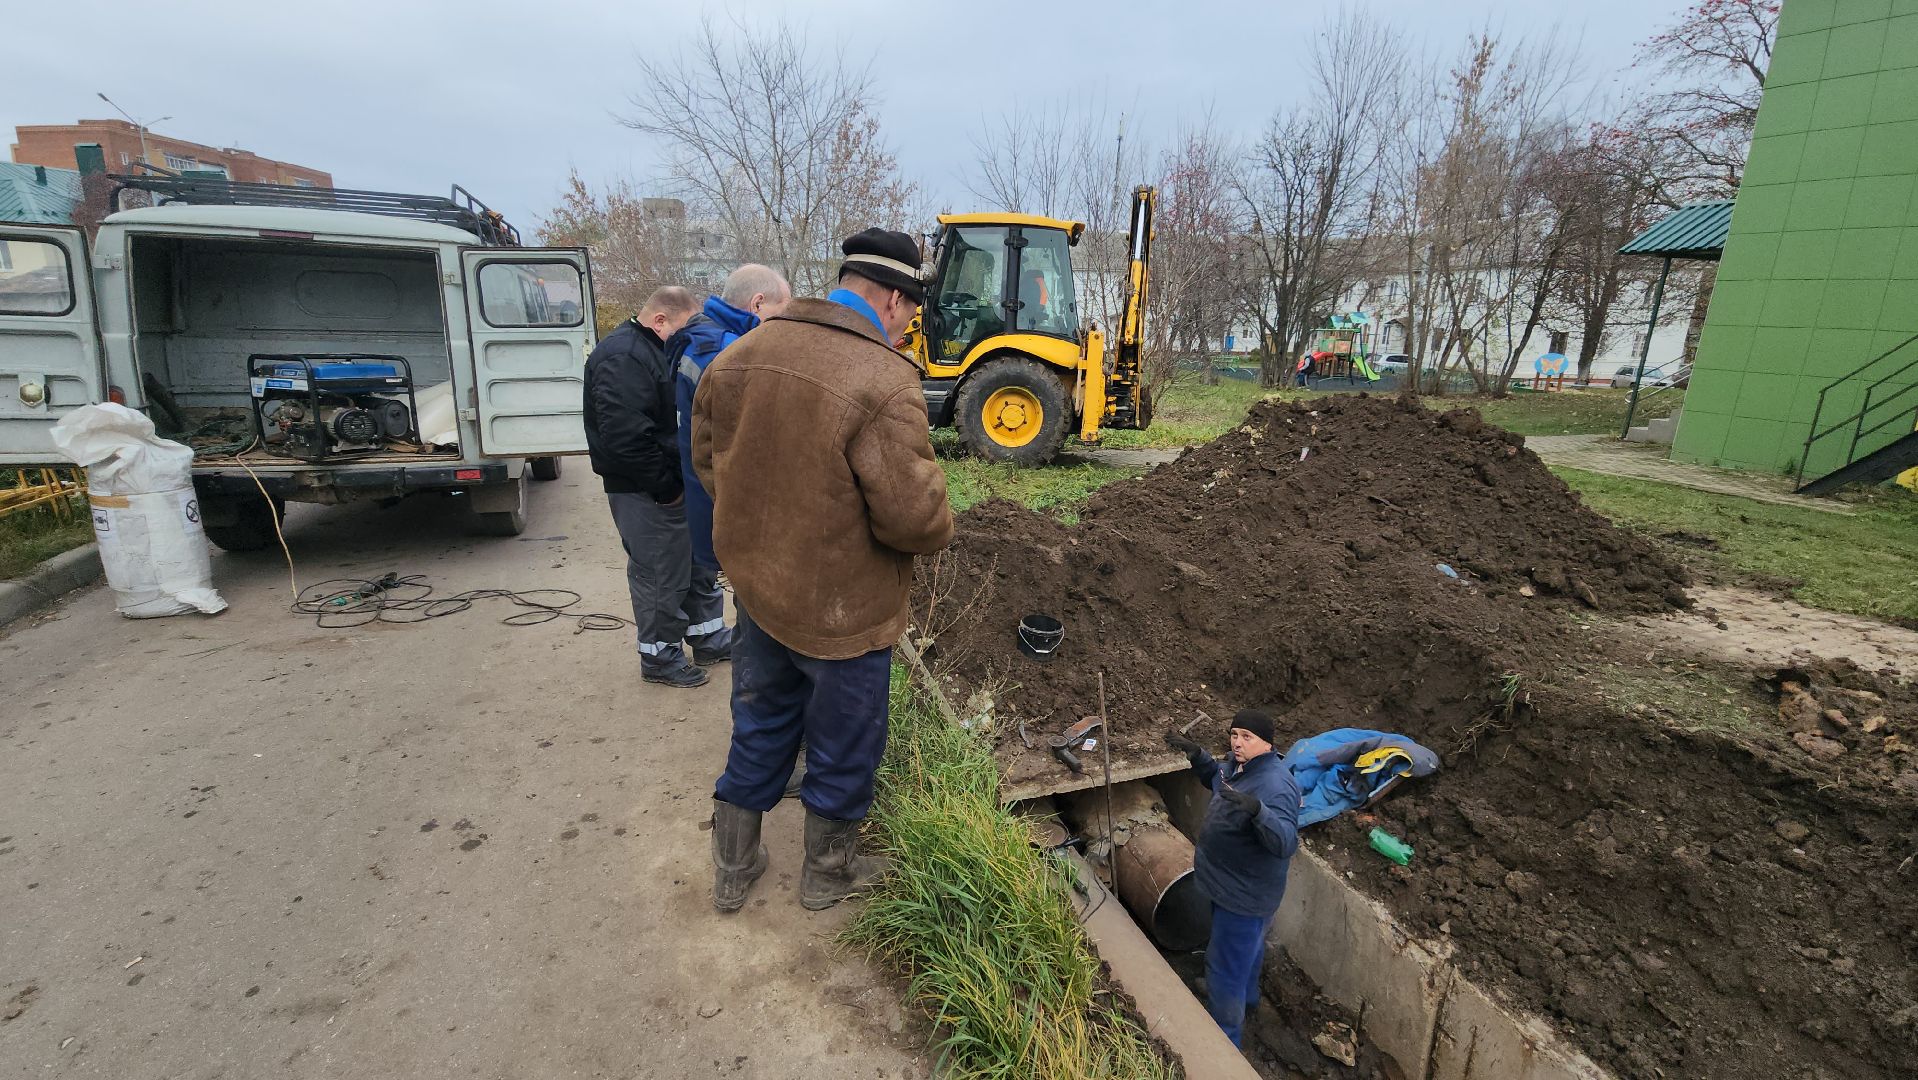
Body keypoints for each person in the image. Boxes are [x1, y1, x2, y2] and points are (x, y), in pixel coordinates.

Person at [693, 229, 954, 914]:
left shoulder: (741, 353)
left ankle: (733, 867)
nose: (907, 326)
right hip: (844, 611)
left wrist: (762, 532)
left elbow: (708, 462)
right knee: (843, 745)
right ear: (896, 299)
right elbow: (914, 522)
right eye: (910, 313)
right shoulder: (882, 380)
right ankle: (827, 875)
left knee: (760, 722)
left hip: (759, 592)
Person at [582, 285, 716, 689]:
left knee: (692, 563)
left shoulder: (654, 351)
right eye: (685, 326)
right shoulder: (624, 356)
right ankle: (658, 655)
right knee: (659, 569)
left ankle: (707, 635)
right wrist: (665, 488)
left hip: (671, 482)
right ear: (660, 320)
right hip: (645, 489)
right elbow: (626, 438)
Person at [1165, 709, 1302, 1048]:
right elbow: (1218, 779)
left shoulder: (1275, 784)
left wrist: (1259, 812)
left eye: (1247, 737)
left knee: (1224, 967)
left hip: (1243, 897)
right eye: (1234, 734)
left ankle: (1224, 1041)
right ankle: (1249, 999)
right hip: (1230, 885)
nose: (1238, 743)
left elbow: (1285, 842)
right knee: (1249, 950)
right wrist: (1199, 757)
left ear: (1267, 743)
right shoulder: (1239, 766)